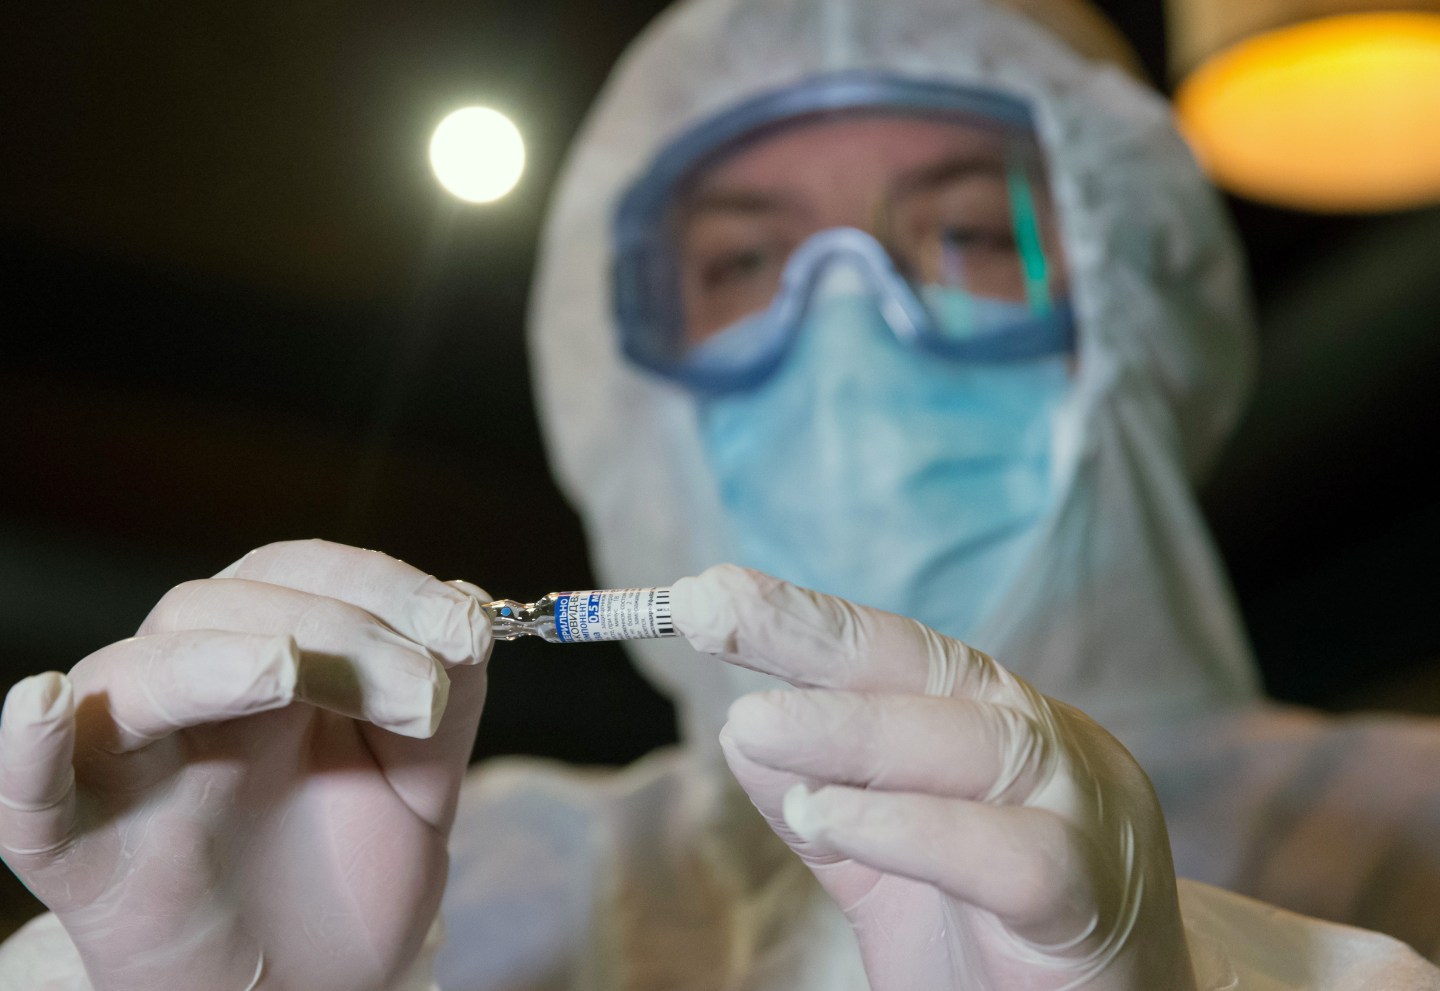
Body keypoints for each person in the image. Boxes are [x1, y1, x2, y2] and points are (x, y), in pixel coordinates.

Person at [1, 0, 1438, 988]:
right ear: (621, 383)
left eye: (955, 231)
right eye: (746, 264)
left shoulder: (1406, 832)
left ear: (1130, 309)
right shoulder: (472, 875)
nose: (850, 326)